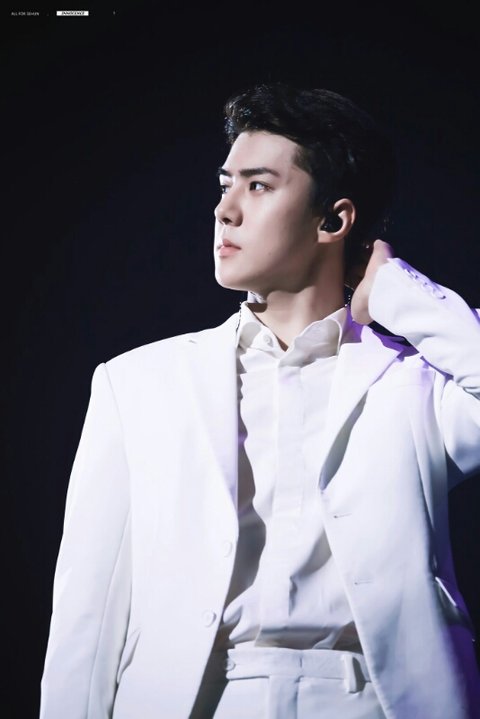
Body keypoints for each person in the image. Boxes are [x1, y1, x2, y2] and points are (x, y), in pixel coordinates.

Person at [40, 82, 480, 719]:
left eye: (258, 186)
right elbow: (87, 616)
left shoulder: (412, 382)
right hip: (203, 700)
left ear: (333, 220)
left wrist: (395, 289)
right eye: (225, 185)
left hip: (374, 701)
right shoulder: (136, 383)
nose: (225, 210)